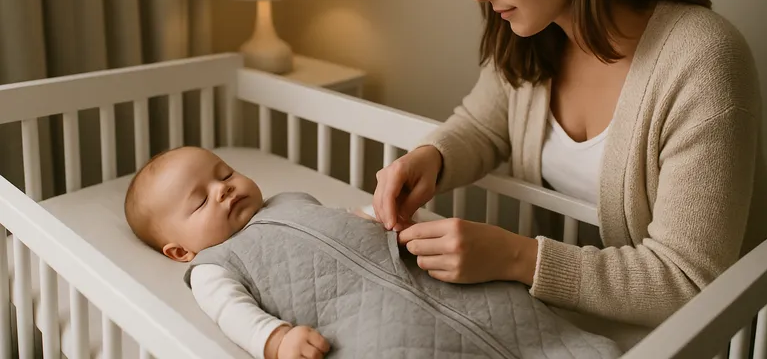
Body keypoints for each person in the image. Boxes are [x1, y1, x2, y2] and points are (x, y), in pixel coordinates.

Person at [373, 0, 767, 330]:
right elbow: (484, 123)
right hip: (565, 324)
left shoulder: (703, 61)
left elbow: (686, 280)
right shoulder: (534, 36)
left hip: (688, 338)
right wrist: (432, 157)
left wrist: (519, 258)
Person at [124, 146, 623, 359]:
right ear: (178, 250)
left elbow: (345, 220)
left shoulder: (289, 200)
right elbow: (230, 311)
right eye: (199, 200)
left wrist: (382, 215)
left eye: (225, 173)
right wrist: (274, 341)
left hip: (426, 275)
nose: (224, 190)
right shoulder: (213, 266)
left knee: (508, 305)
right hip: (370, 324)